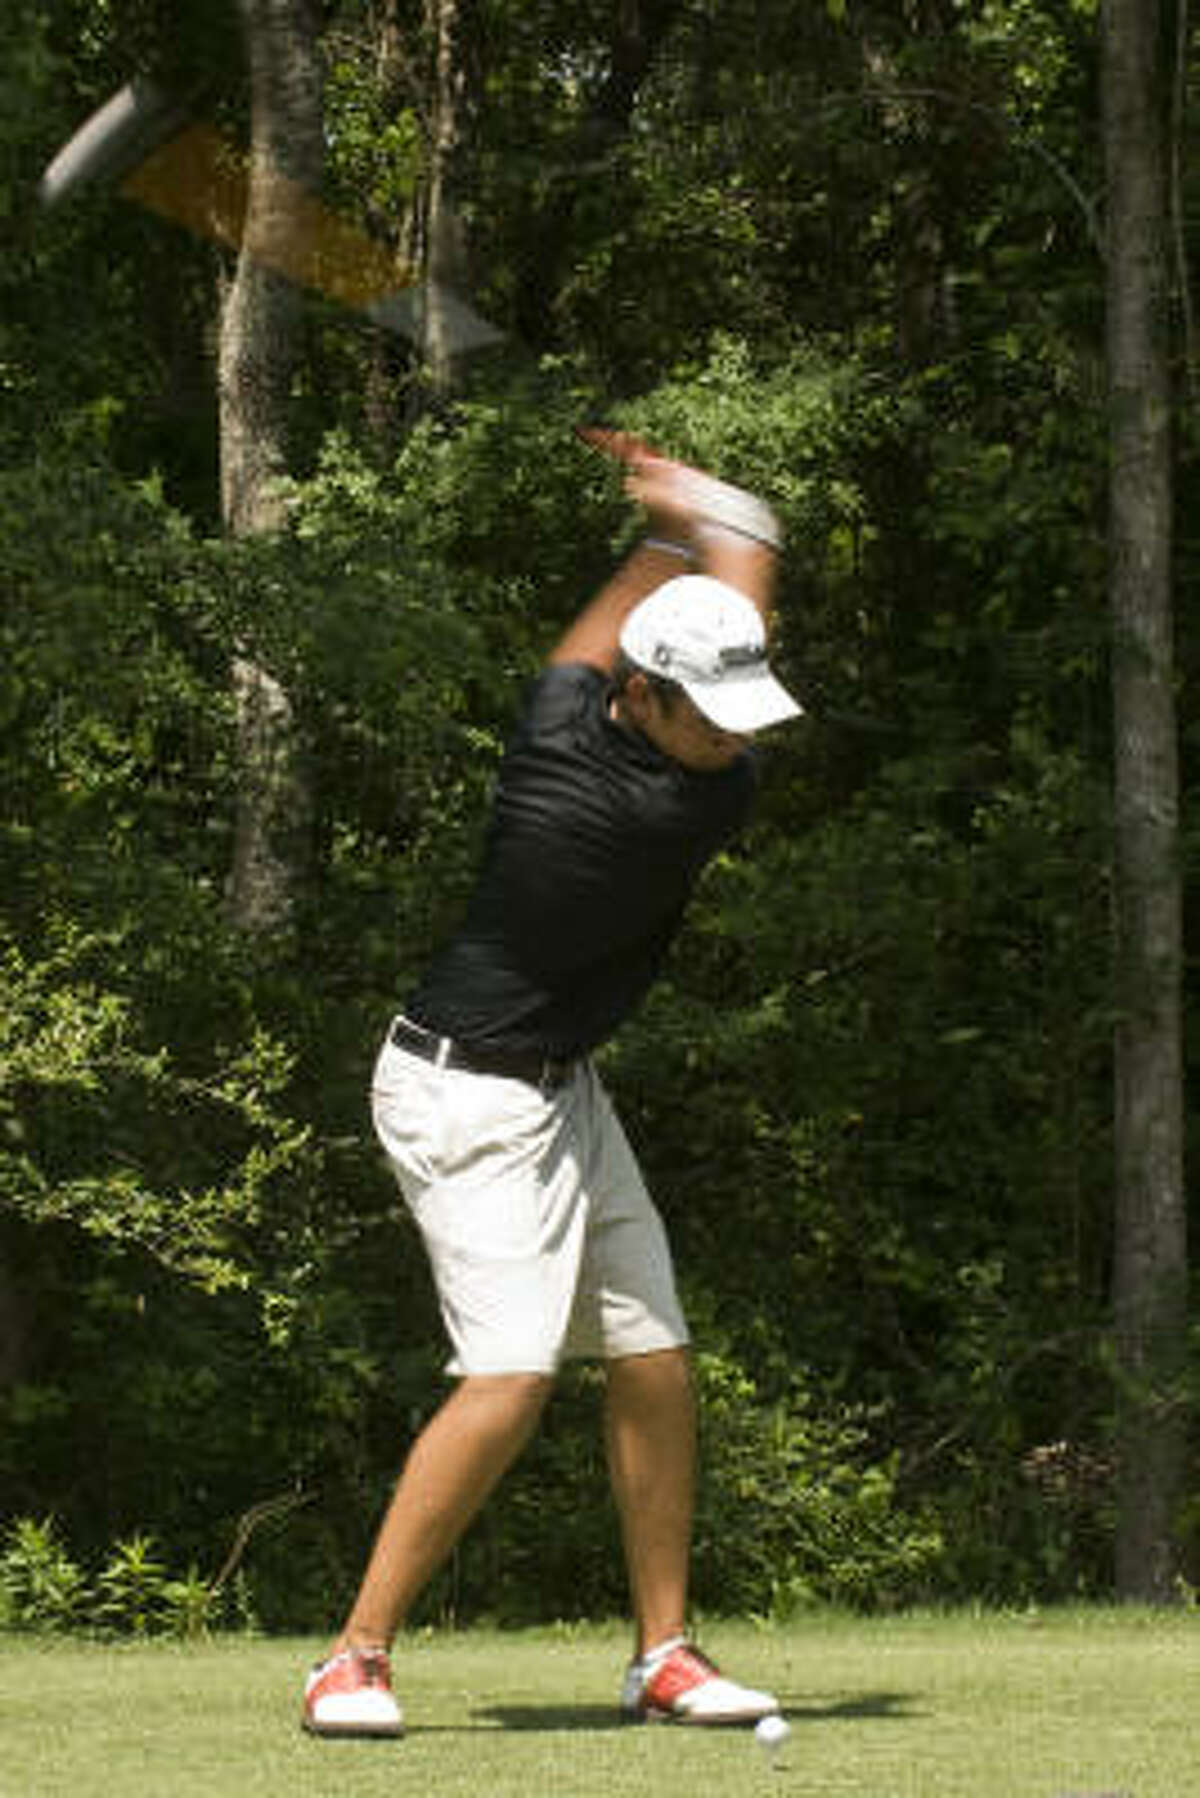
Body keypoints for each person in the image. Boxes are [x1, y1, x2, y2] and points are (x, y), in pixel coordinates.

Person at [301, 441, 802, 1738]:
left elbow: (617, 624)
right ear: (648, 696)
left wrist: (668, 531)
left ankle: (663, 1654)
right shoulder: (651, 814)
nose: (736, 738)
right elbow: (747, 557)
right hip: (466, 1101)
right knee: (510, 1378)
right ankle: (352, 1659)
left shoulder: (566, 708)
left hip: (557, 1083)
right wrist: (722, 516)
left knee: (653, 1353)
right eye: (713, 714)